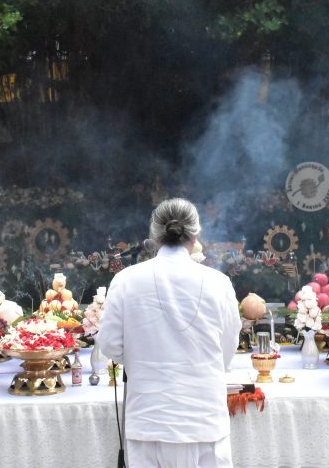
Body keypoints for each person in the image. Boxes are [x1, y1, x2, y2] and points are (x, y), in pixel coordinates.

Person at [97, 198, 241, 468]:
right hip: (204, 420)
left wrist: (142, 360)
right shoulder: (219, 283)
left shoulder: (126, 280)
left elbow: (109, 344)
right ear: (196, 235)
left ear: (154, 234)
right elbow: (227, 350)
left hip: (149, 422)